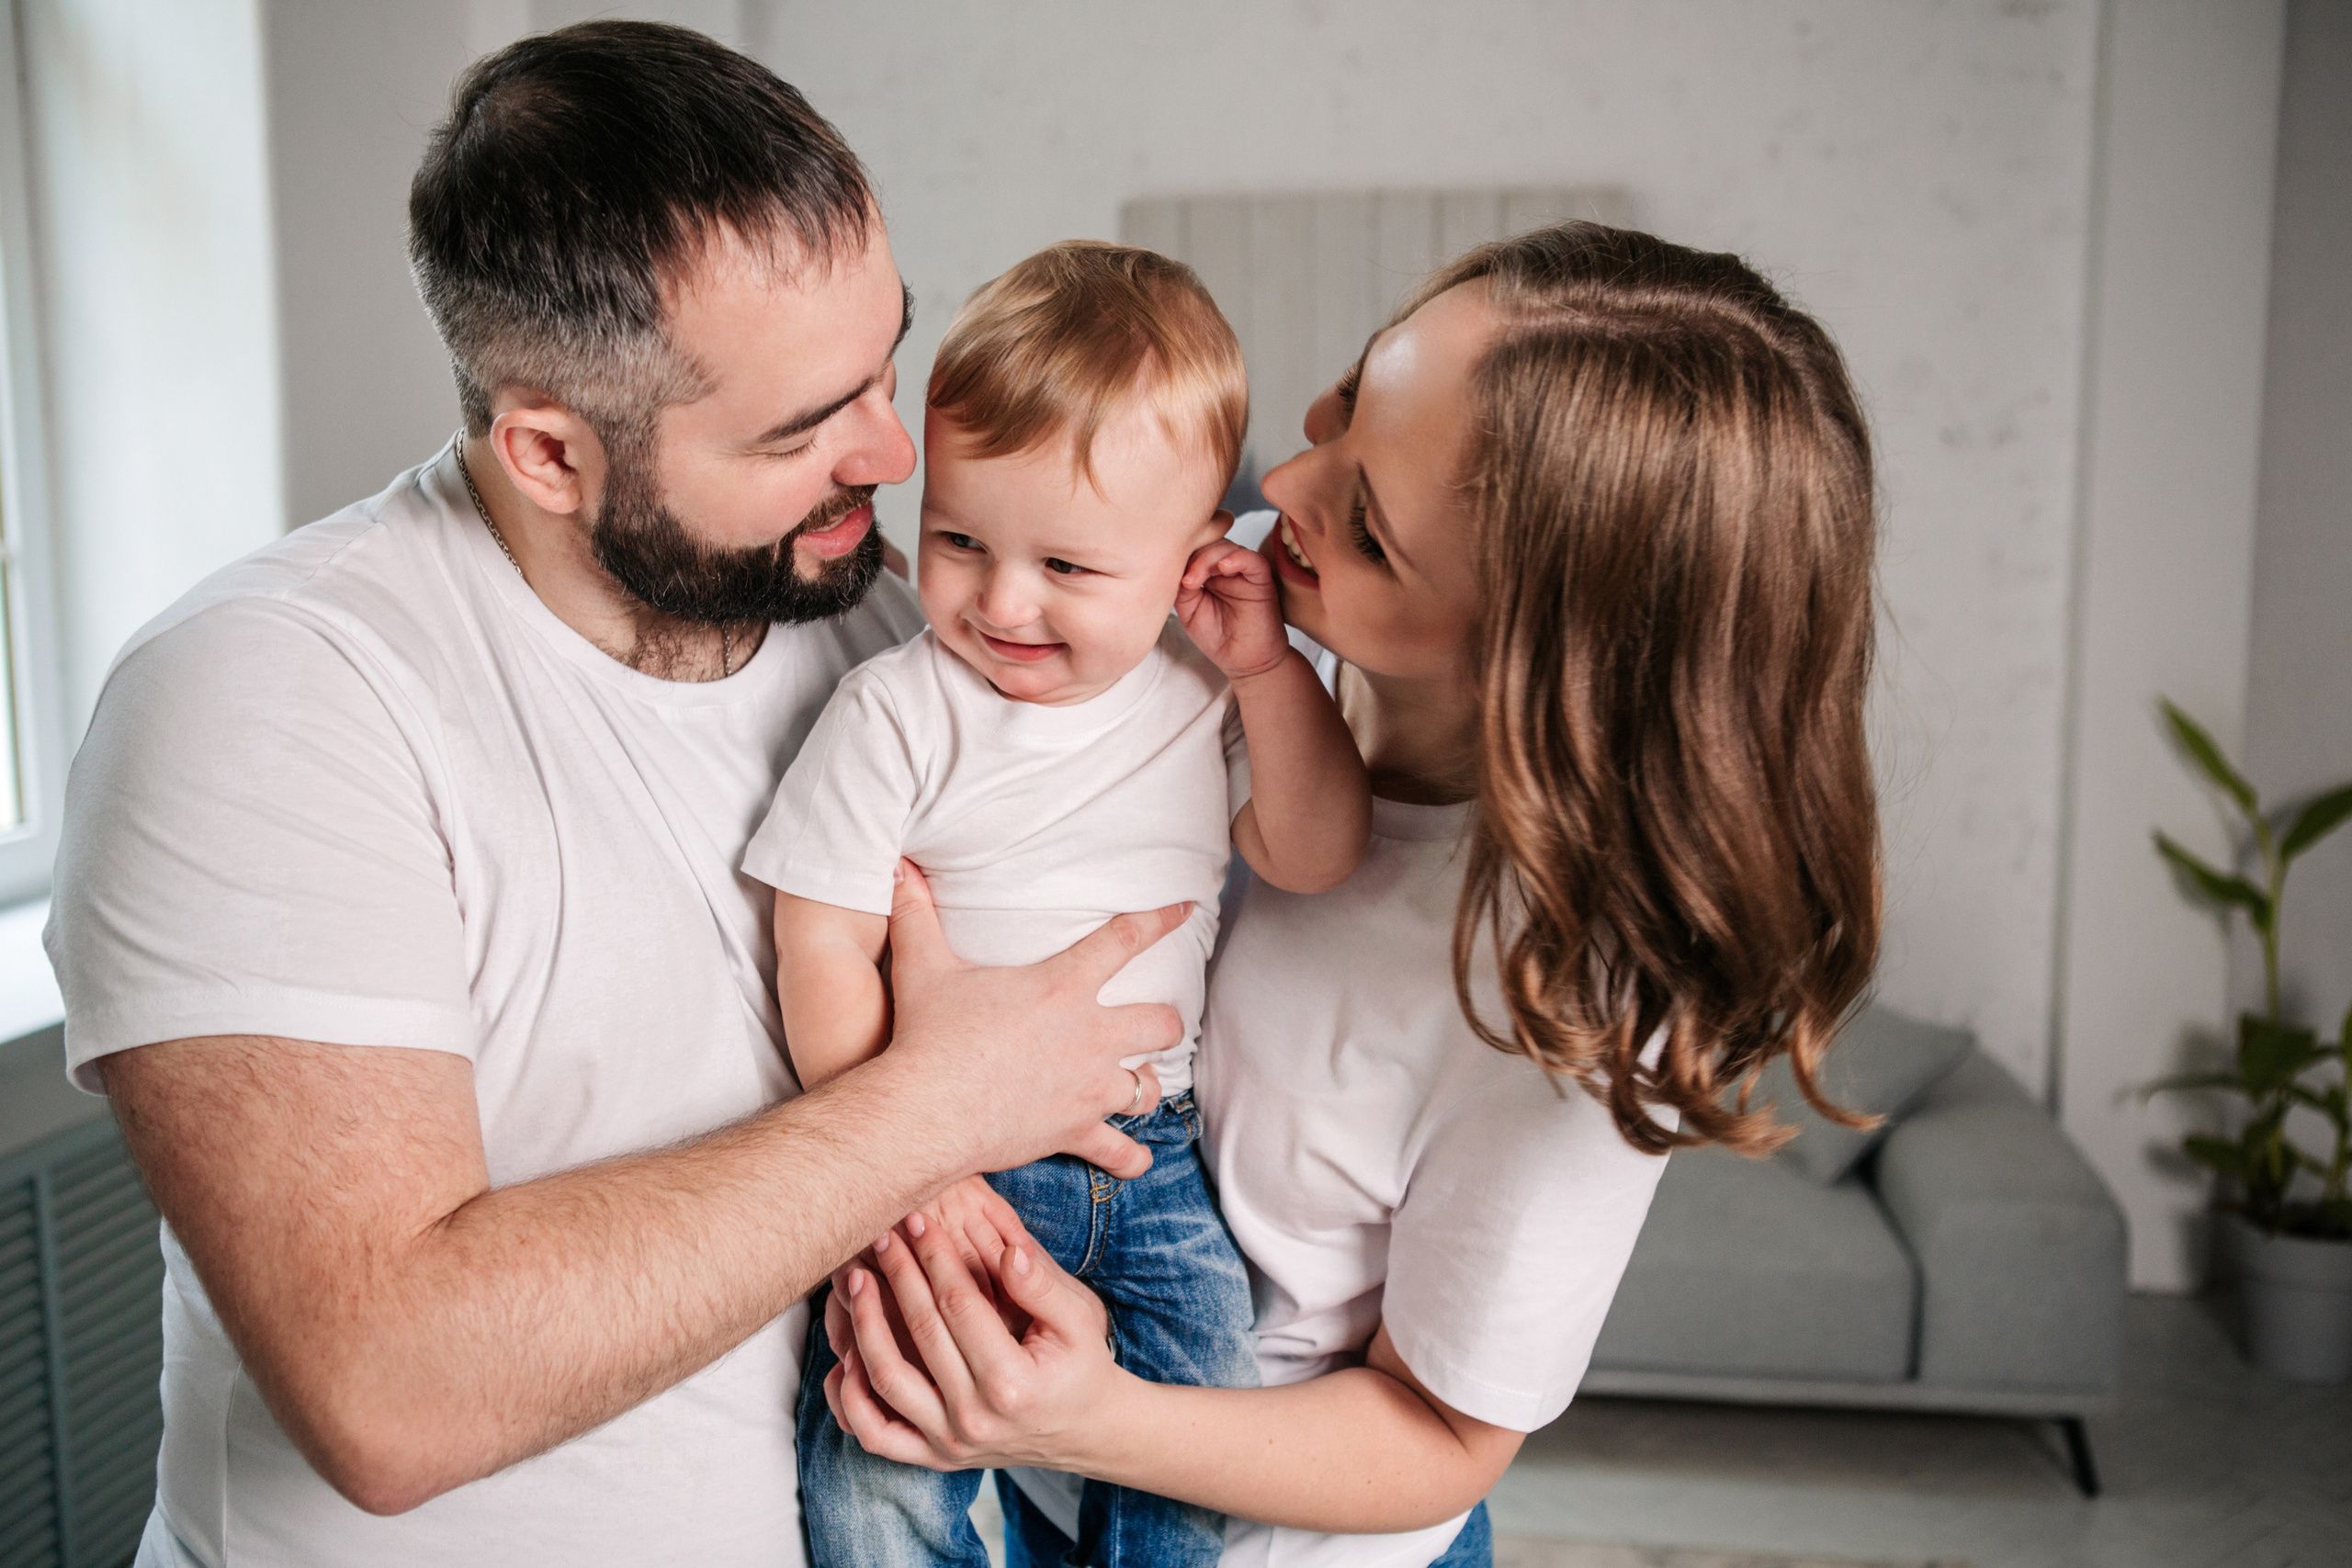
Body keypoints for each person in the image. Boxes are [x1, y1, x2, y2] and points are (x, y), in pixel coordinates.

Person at [42, 24, 1189, 1568]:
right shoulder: (267, 698)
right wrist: (938, 1109)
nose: (895, 451)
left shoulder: (876, 616)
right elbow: (391, 1391)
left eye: (884, 365)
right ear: (548, 451)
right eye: (803, 428)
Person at [818, 222, 1884, 1568]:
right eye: (1350, 395)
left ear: (1536, 660)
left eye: (1369, 526)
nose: (1286, 483)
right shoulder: (1243, 611)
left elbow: (1441, 1438)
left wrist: (1082, 1419)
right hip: (1040, 1477)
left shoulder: (1570, 998)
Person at [762, 240, 1372, 1566]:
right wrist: (894, 1161)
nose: (1003, 599)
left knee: (1194, 1422)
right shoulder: (897, 708)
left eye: (1073, 569)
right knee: (885, 1441)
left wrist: (1267, 668)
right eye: (961, 541)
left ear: (1193, 560)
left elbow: (1318, 851)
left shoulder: (1206, 700)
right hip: (951, 1169)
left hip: (1157, 1168)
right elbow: (817, 937)